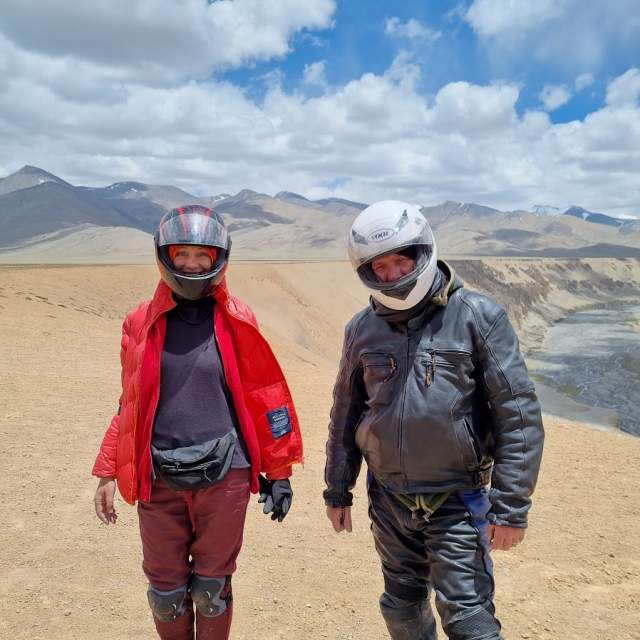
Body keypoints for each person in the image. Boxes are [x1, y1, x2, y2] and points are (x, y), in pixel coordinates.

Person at [323, 200, 544, 640]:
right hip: (388, 498)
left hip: (457, 498)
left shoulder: (477, 316)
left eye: (401, 260)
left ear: (422, 252)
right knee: (401, 606)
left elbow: (517, 414)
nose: (392, 274)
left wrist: (511, 507)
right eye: (379, 266)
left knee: (469, 619)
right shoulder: (361, 328)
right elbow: (346, 412)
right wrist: (337, 488)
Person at [93, 204, 303, 640]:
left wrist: (279, 472)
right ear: (165, 256)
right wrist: (108, 470)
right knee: (165, 594)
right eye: (182, 254)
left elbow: (263, 394)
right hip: (159, 476)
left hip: (226, 475)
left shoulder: (236, 318)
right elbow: (129, 402)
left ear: (218, 259)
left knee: (212, 589)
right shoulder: (139, 322)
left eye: (202, 256)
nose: (191, 265)